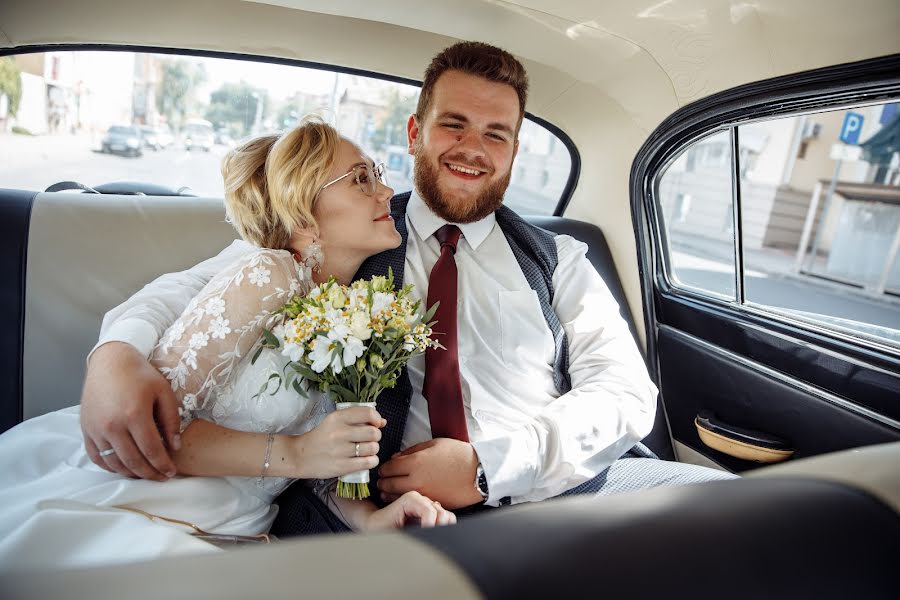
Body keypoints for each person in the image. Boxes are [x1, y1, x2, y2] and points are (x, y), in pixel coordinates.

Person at [80, 42, 734, 535]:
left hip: (559, 487)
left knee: (728, 514)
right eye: (455, 124)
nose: (473, 148)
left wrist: (489, 468)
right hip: (393, 508)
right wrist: (117, 354)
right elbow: (196, 287)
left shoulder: (558, 259)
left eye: (496, 133)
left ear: (512, 149)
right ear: (417, 132)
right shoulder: (342, 237)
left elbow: (625, 394)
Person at [0, 119, 456, 571]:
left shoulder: (351, 309)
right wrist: (297, 454)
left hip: (241, 533)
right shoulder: (266, 274)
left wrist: (372, 520)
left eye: (376, 174)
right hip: (143, 508)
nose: (385, 191)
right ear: (303, 215)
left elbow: (318, 463)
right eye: (361, 178)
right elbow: (156, 432)